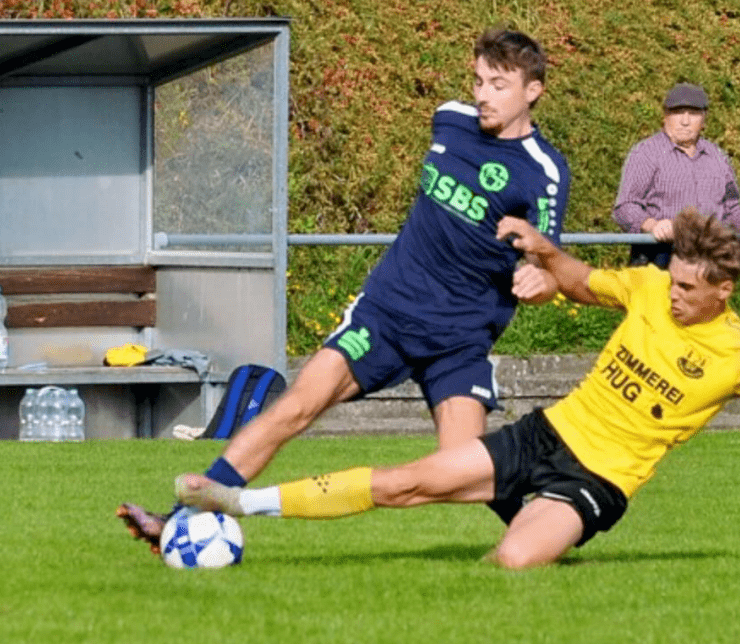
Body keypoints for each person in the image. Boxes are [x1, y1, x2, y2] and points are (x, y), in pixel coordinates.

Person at [173, 207, 740, 570]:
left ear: (723, 291)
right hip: (545, 434)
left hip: (598, 481)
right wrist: (542, 249)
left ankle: (533, 519)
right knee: (408, 481)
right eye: (671, 280)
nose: (672, 294)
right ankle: (238, 500)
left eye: (688, 289)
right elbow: (582, 280)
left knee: (515, 559)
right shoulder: (648, 287)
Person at [118, 27, 570, 554]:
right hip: (386, 314)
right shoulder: (450, 120)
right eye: (478, 81)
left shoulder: (544, 172)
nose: (483, 94)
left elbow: (550, 264)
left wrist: (541, 282)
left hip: (459, 337)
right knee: (295, 406)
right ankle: (178, 520)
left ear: (532, 91)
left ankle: (554, 525)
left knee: (461, 468)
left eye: (498, 84)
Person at [614, 82, 740, 269]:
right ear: (665, 116)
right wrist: (652, 225)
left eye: (693, 114)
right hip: (659, 259)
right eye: (678, 112)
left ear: (704, 120)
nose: (685, 121)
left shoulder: (718, 157)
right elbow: (625, 207)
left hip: (710, 261)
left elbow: (731, 209)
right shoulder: (646, 153)